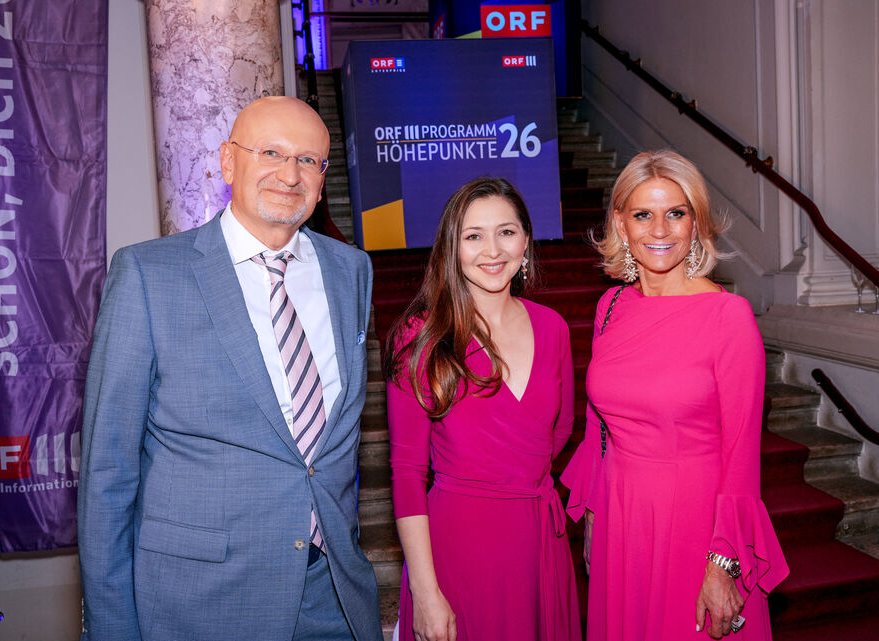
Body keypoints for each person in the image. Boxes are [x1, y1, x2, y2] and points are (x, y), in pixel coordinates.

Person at [78, 96, 382, 641]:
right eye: (271, 153)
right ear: (227, 161)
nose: (289, 174)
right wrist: (111, 628)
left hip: (332, 593)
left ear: (322, 179)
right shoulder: (149, 274)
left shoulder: (351, 270)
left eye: (308, 160)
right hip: (202, 601)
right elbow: (108, 472)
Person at [561, 150, 789, 640]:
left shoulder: (728, 317)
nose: (660, 230)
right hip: (622, 518)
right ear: (621, 224)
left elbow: (742, 454)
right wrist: (595, 515)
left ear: (695, 224)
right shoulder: (610, 306)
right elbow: (598, 428)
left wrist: (723, 561)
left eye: (676, 213)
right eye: (643, 214)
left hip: (694, 522)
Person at [385, 177, 582, 641]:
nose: (492, 250)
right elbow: (407, 472)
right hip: (459, 547)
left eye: (506, 232)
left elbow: (560, 432)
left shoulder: (552, 327)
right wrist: (425, 591)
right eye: (473, 236)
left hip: (540, 542)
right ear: (451, 248)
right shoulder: (420, 336)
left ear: (526, 241)